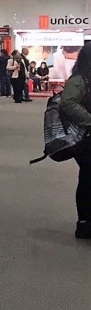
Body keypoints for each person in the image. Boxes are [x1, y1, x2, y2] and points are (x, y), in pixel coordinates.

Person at [57, 42, 91, 239]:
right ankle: (84, 223)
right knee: (87, 179)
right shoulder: (79, 80)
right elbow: (67, 103)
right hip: (85, 139)